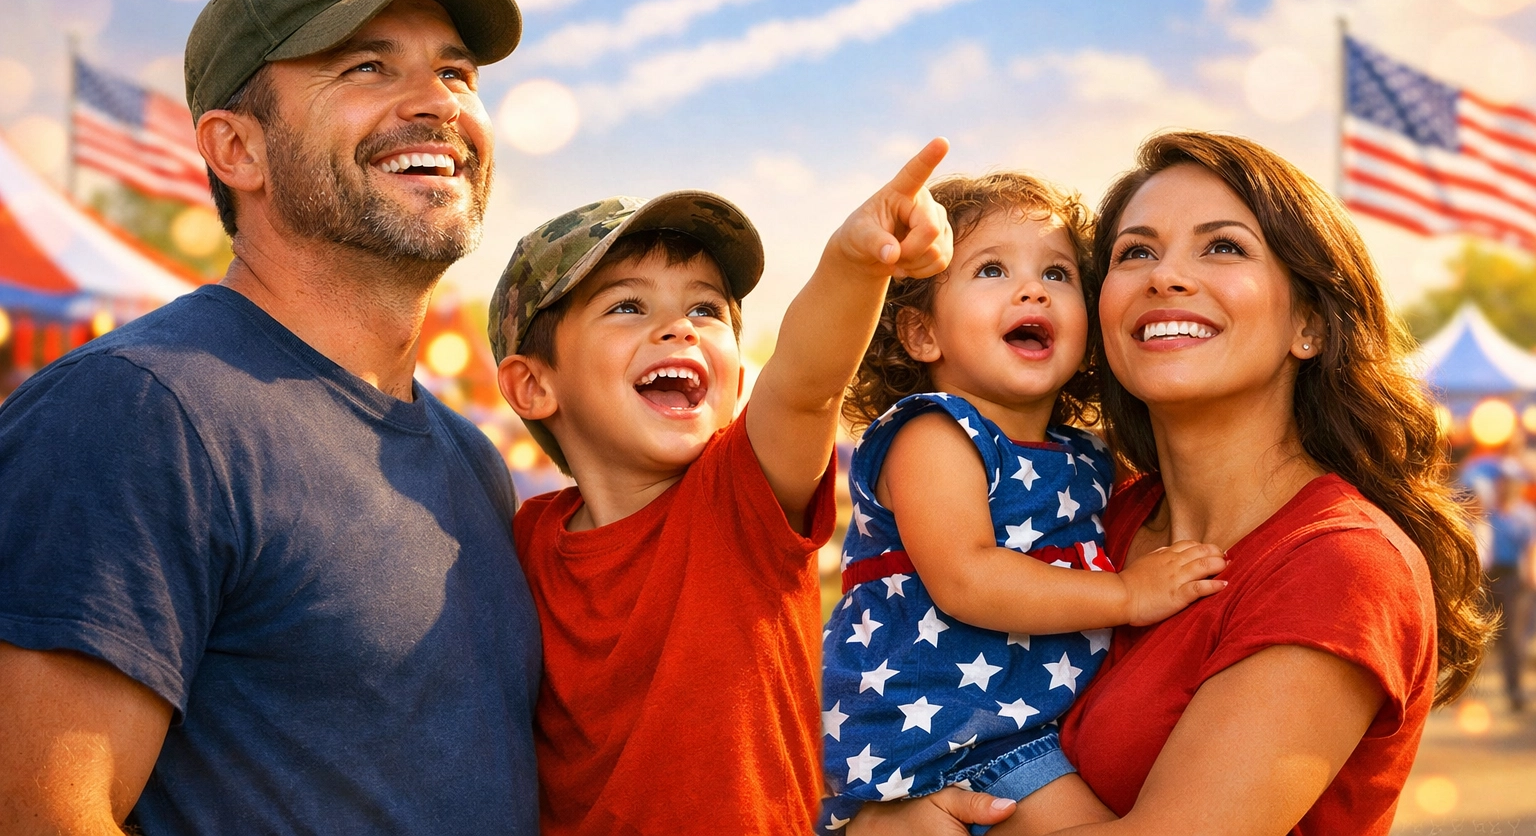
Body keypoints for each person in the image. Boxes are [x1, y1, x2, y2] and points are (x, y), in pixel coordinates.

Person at [0, 0, 542, 834]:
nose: (437, 105)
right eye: (367, 66)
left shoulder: (472, 459)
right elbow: (41, 816)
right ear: (236, 149)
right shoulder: (139, 411)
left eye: (456, 72)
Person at [854, 131, 1491, 835]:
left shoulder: (1340, 563)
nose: (1166, 277)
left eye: (1222, 247)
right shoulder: (1097, 518)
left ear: (1307, 322)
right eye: (1135, 253)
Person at [490, 140, 954, 835]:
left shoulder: (742, 494)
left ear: (738, 382)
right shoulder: (524, 540)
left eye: (707, 310)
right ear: (535, 385)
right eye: (626, 307)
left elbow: (806, 385)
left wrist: (855, 264)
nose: (678, 326)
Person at [821, 171, 1225, 833]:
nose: (1033, 288)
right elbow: (967, 577)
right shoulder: (936, 432)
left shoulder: (1085, 455)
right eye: (991, 270)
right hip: (947, 736)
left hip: (1023, 721)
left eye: (1059, 275)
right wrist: (1128, 594)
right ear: (923, 334)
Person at [1485, 462, 1535, 711]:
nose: (1505, 485)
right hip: (1489, 577)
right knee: (1482, 633)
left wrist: (1531, 575)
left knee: (1513, 638)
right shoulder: (1489, 512)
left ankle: (1514, 690)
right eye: (1502, 481)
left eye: (1511, 481)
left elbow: (1531, 548)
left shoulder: (1526, 515)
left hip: (1516, 578)